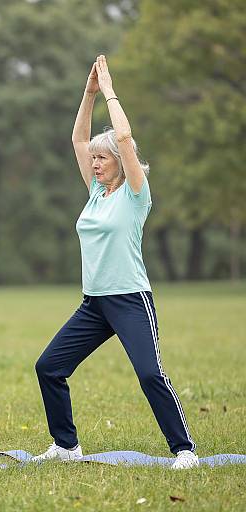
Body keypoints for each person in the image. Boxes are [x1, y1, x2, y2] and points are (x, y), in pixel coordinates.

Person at [33, 56, 198, 469]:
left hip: (129, 300)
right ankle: (67, 446)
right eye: (93, 160)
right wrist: (87, 94)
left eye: (101, 160)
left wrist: (109, 91)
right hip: (95, 304)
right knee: (49, 367)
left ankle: (184, 451)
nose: (93, 163)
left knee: (149, 374)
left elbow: (123, 137)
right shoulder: (95, 192)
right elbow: (77, 140)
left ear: (120, 163)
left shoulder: (134, 194)